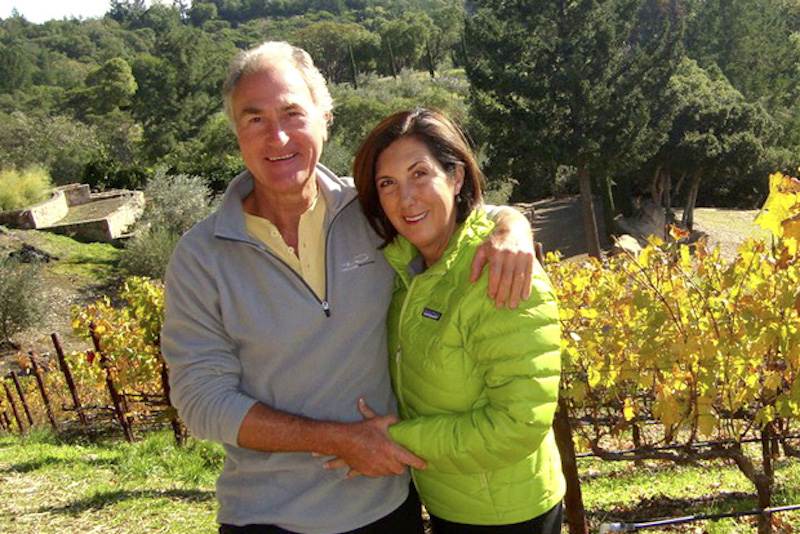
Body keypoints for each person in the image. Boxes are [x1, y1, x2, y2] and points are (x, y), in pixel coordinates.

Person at [161, 42, 538, 534]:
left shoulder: (372, 212)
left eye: (292, 113)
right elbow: (200, 400)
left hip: (387, 508)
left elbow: (452, 217)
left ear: (325, 118)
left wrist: (512, 223)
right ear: (236, 133)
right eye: (255, 120)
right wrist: (339, 439)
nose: (277, 136)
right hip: (265, 518)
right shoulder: (200, 257)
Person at [350, 108, 565, 533]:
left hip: (509, 515)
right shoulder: (406, 271)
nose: (406, 199)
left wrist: (394, 439)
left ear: (456, 177)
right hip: (448, 500)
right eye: (387, 184)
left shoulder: (499, 272)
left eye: (419, 174)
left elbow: (518, 424)